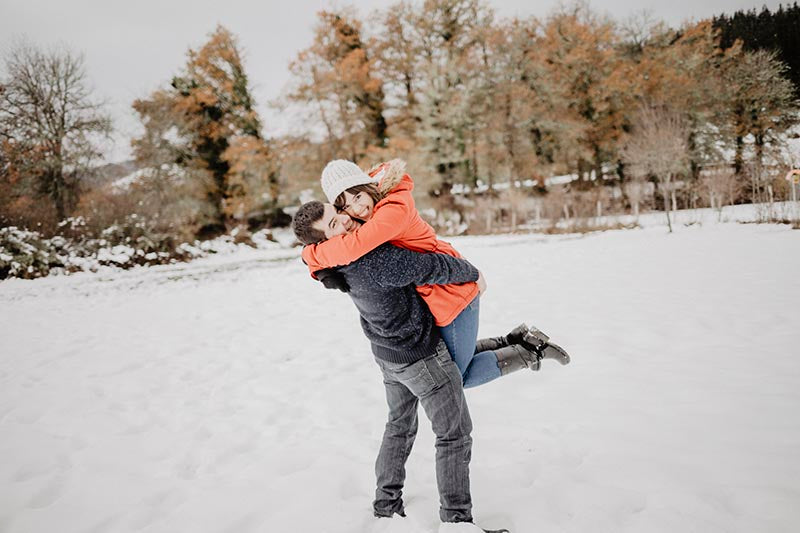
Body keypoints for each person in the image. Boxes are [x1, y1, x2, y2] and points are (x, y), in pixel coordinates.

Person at [292, 200, 508, 533]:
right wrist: (473, 274)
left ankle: (386, 506)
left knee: (399, 426)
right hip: (420, 356)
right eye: (335, 224)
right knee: (454, 436)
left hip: (388, 354)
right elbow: (431, 266)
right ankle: (457, 522)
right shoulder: (373, 261)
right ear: (324, 244)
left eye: (340, 214)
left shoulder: (337, 265)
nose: (347, 221)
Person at [301, 159, 570, 388]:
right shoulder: (373, 206)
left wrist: (310, 256)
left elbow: (353, 246)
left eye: (357, 196)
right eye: (344, 206)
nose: (356, 209)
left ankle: (529, 352)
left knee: (456, 377)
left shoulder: (393, 210)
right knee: (448, 360)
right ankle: (515, 340)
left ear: (367, 186)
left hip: (451, 289)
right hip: (437, 290)